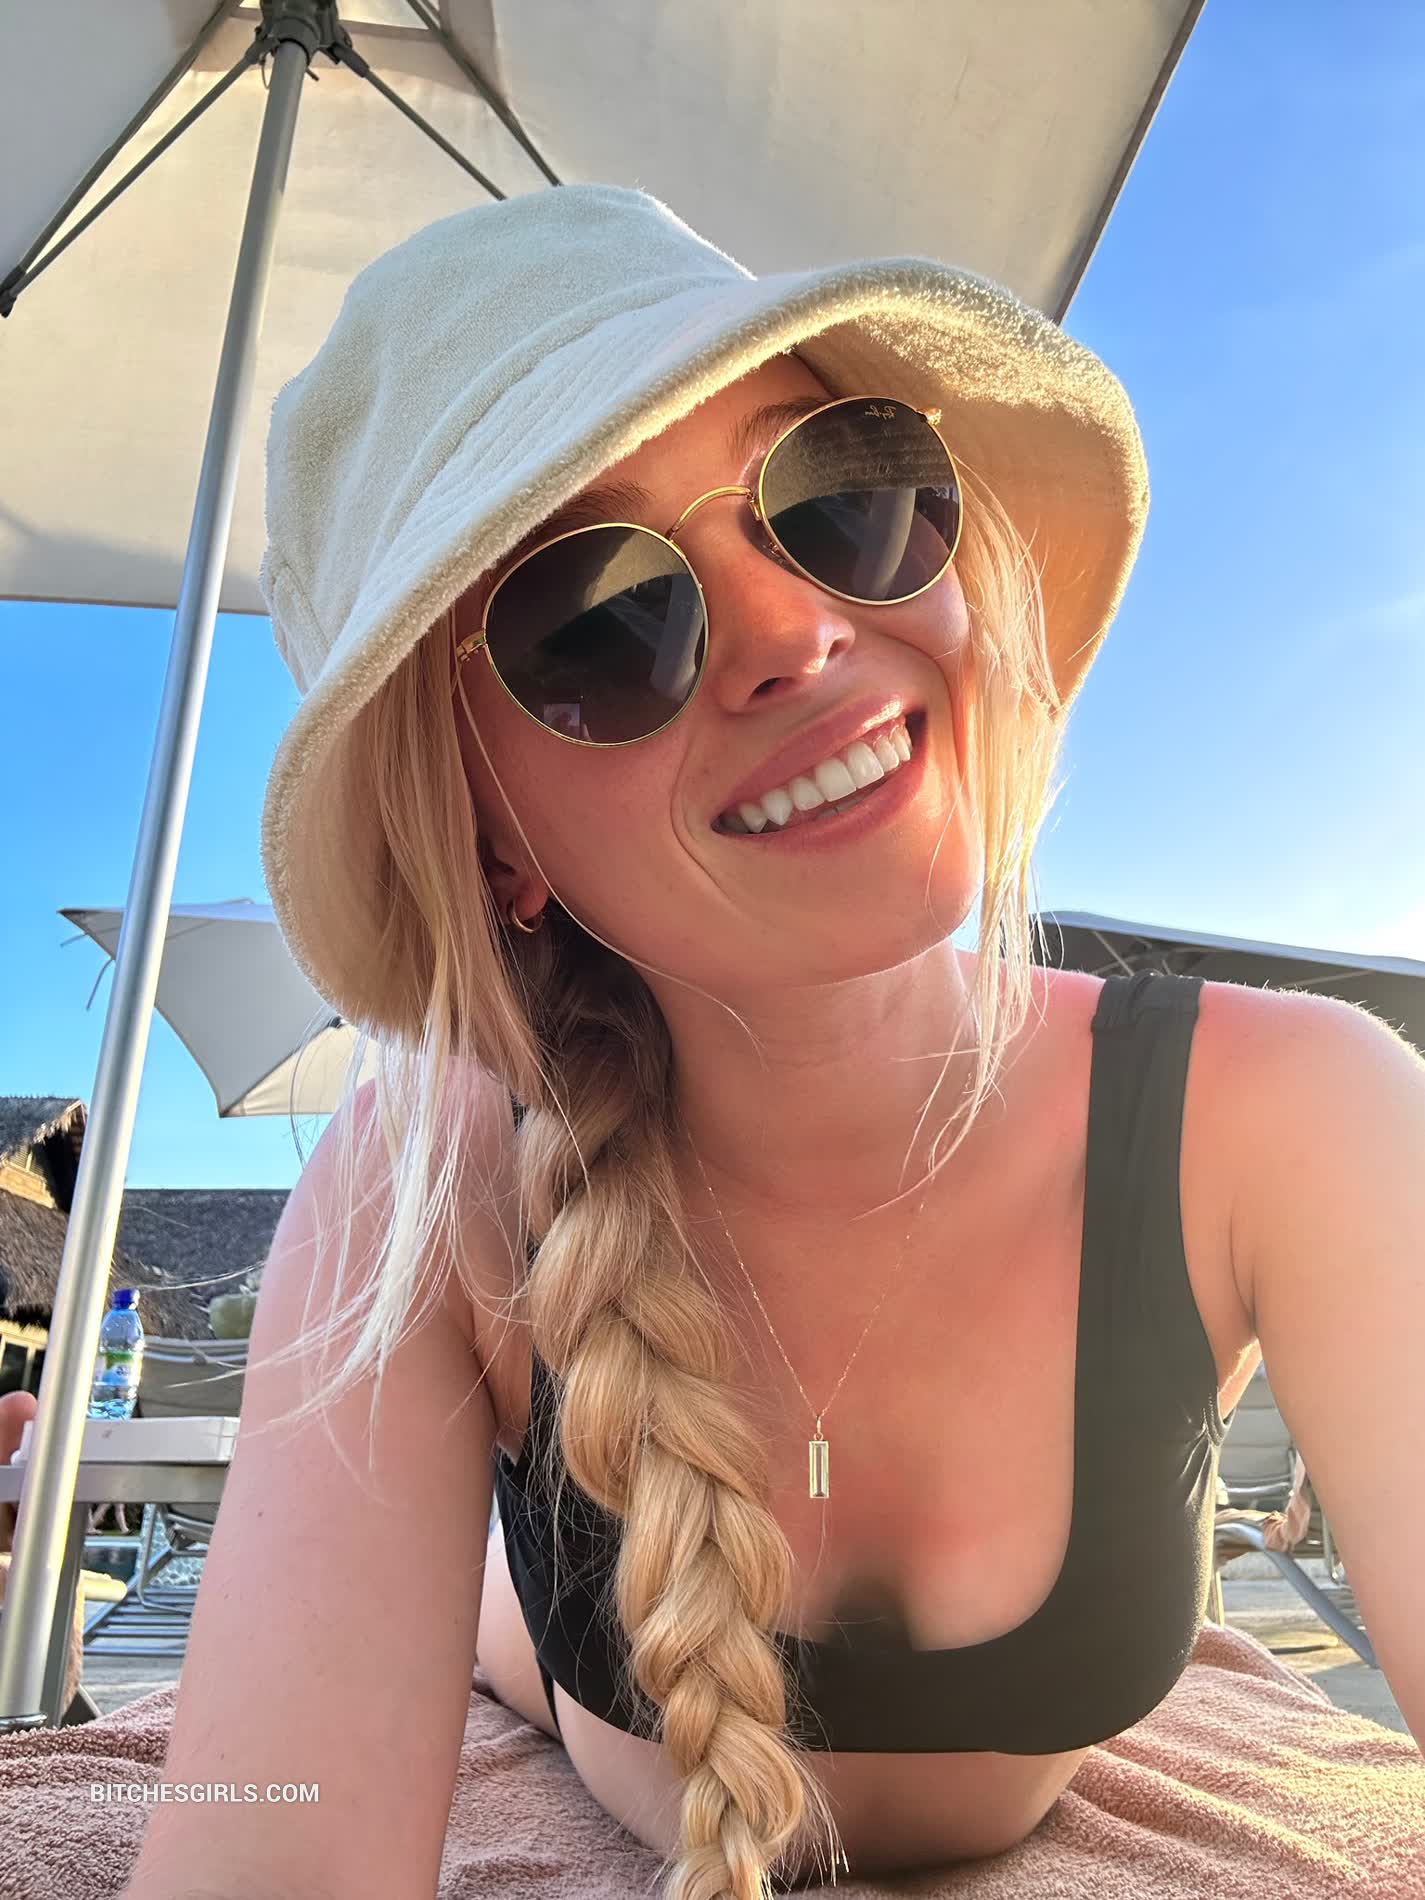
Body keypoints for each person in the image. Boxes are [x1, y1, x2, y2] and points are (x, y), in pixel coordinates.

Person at [117, 188, 1420, 1900]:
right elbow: (264, 1842)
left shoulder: (1291, 1113)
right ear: (494, 839)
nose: (798, 635)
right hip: (542, 1678)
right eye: (593, 618)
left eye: (836, 494)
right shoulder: (428, 1182)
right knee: (501, 1631)